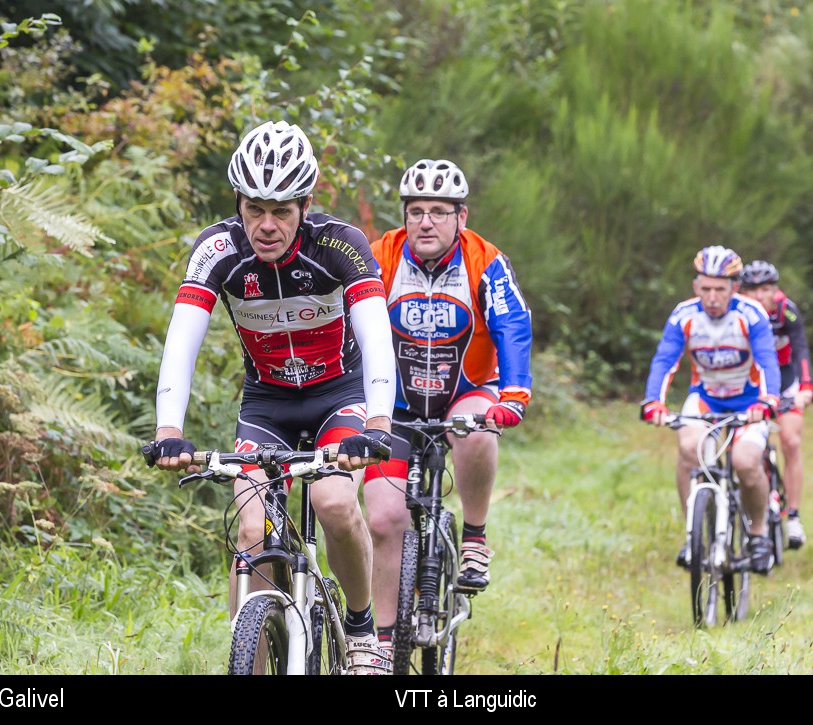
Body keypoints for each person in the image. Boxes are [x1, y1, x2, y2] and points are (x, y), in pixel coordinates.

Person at [148, 120, 397, 674]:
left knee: (333, 502)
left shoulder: (340, 245)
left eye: (281, 211)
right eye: (254, 208)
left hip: (339, 397)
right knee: (249, 528)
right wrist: (168, 430)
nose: (265, 225)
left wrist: (377, 423)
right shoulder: (218, 249)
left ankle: (360, 629)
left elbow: (377, 335)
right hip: (267, 405)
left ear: (305, 206)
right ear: (238, 202)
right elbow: (182, 338)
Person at [365, 159, 533, 651]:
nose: (425, 221)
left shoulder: (485, 260)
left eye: (439, 211)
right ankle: (379, 643)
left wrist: (515, 394)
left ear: (462, 217)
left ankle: (475, 537)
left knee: (474, 428)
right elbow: (348, 319)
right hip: (393, 402)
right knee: (382, 520)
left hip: (466, 389)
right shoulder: (382, 256)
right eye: (416, 211)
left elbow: (512, 325)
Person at [640, 245, 781, 574]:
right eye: (706, 288)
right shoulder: (684, 315)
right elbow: (665, 360)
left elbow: (767, 361)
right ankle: (693, 534)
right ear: (695, 287)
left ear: (734, 287)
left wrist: (768, 400)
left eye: (720, 289)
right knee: (689, 449)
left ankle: (759, 533)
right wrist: (653, 402)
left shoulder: (751, 314)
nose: (713, 296)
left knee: (745, 463)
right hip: (706, 398)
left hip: (750, 401)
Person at [739, 260, 813, 549]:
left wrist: (805, 387)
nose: (760, 296)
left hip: (785, 380)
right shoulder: (737, 314)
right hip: (752, 383)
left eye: (766, 289)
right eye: (753, 290)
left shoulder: (786, 311)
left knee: (791, 440)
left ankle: (793, 516)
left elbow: (801, 348)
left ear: (776, 290)